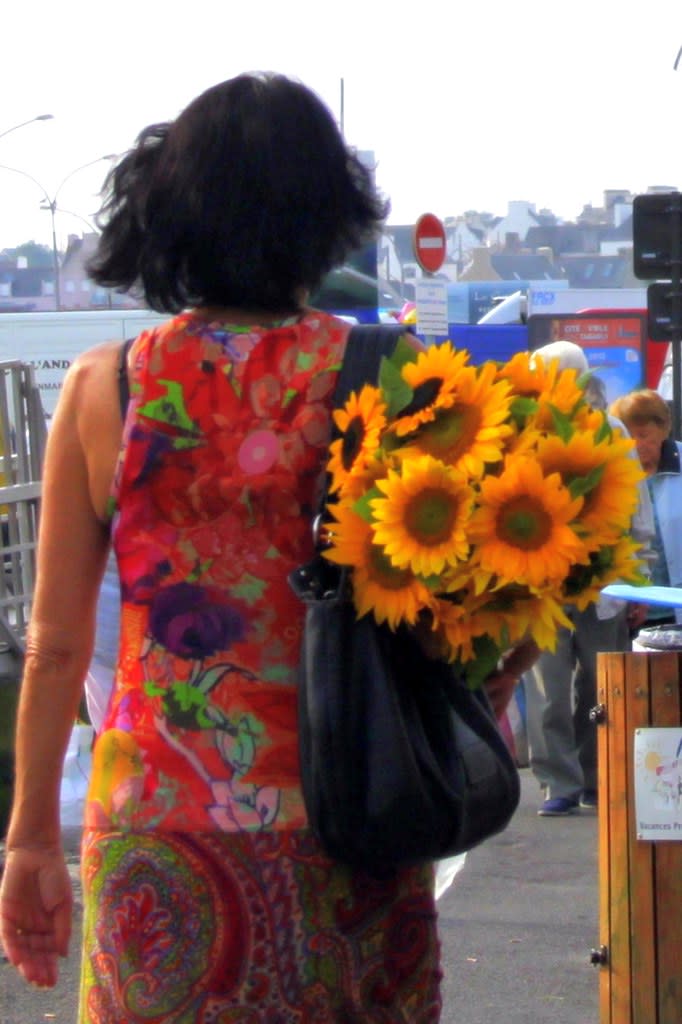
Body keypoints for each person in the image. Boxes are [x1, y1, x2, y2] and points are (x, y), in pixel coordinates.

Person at [0, 72, 527, 1022]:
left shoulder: (102, 387)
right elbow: (479, 614)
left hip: (155, 824)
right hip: (349, 819)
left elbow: (57, 647)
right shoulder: (389, 372)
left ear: (169, 213)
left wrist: (30, 839)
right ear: (329, 215)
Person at [522, 342, 655, 817]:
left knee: (603, 686)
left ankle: (596, 774)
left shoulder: (612, 430)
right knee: (549, 690)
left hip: (603, 580)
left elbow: (636, 507)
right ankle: (558, 782)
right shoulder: (526, 430)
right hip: (543, 582)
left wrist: (637, 578)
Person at [609, 388, 682, 630]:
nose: (635, 444)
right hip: (631, 606)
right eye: (627, 435)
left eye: (643, 435)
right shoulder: (613, 472)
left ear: (664, 430)